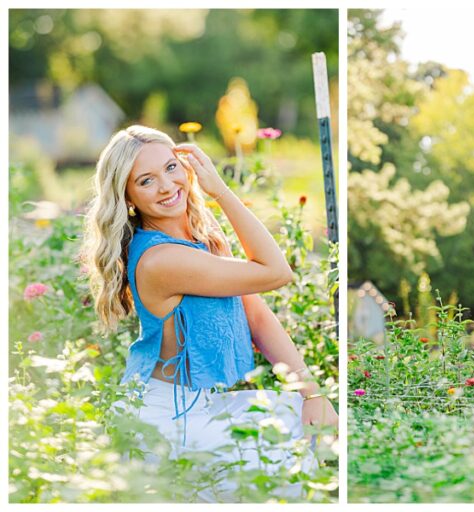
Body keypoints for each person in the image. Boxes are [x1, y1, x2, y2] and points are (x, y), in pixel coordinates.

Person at [81, 125, 338, 501]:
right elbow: (276, 272)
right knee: (282, 462)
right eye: (147, 180)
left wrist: (311, 392)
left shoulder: (195, 238)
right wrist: (220, 190)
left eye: (171, 168)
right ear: (129, 196)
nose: (167, 187)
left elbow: (257, 314)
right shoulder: (161, 259)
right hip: (164, 417)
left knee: (295, 419)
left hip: (194, 403)